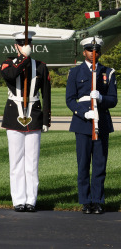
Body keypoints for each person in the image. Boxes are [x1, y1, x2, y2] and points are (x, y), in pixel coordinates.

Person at [0, 31, 51, 213]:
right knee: (16, 162)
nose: (24, 46)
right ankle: (18, 200)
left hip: (34, 115)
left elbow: (46, 93)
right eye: (21, 44)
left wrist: (46, 119)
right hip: (14, 116)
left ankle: (31, 200)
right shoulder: (8, 63)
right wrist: (24, 58)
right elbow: (11, 75)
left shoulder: (41, 66)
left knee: (32, 162)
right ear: (16, 46)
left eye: (27, 44)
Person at [66, 37, 117, 214]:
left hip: (101, 122)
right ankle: (85, 201)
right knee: (83, 164)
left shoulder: (107, 72)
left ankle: (97, 200)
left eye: (96, 50)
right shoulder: (75, 72)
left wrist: (102, 99)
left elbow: (113, 100)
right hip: (82, 123)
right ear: (84, 52)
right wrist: (83, 112)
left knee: (99, 164)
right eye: (89, 50)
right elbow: (70, 99)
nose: (93, 53)